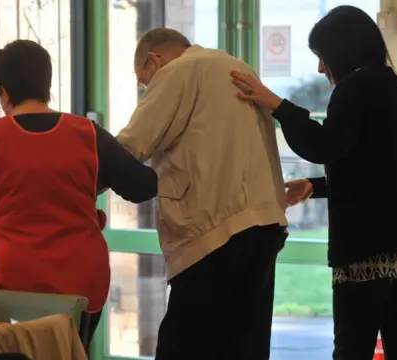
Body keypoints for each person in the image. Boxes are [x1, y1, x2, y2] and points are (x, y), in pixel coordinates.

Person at [231, 6, 397, 359]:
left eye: (322, 56)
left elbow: (326, 145)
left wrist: (277, 106)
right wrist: (315, 186)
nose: (319, 67)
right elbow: (376, 168)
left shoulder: (354, 88)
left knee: (352, 349)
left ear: (342, 51)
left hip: (369, 251)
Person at [0, 40, 158, 351]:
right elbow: (143, 186)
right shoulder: (88, 133)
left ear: (4, 92)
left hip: (8, 277)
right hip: (79, 279)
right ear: (47, 85)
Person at [116, 28, 288, 360]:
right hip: (263, 226)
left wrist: (79, 180)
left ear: (156, 60)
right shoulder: (238, 67)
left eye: (143, 82)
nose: (146, 90)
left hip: (213, 233)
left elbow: (131, 144)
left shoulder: (176, 71)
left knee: (183, 345)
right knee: (243, 345)